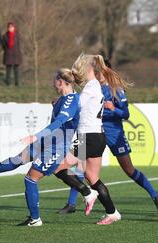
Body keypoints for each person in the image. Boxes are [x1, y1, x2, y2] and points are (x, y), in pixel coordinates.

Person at [0, 69, 99, 227]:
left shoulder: (71, 101)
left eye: (54, 79)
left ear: (61, 82)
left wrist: (35, 136)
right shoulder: (63, 99)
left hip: (55, 148)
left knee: (30, 179)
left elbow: (58, 123)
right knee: (18, 159)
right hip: (47, 142)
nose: (52, 82)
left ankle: (35, 219)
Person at [58, 62, 158, 214]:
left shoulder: (115, 90)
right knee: (80, 168)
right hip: (92, 133)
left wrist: (113, 109)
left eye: (99, 72)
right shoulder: (92, 88)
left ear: (105, 72)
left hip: (114, 134)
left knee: (129, 169)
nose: (96, 75)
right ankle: (71, 204)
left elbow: (126, 114)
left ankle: (155, 195)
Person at [54, 54, 122, 225]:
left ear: (87, 69)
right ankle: (112, 212)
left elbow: (76, 105)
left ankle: (87, 193)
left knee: (58, 167)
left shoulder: (92, 86)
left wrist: (63, 102)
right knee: (91, 176)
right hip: (97, 136)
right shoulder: (93, 86)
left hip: (89, 138)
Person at [1, 22, 22, 86]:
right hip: (8, 55)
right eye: (9, 27)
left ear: (14, 28)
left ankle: (17, 83)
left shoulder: (17, 36)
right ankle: (8, 83)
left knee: (16, 70)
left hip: (16, 54)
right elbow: (3, 46)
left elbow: (19, 45)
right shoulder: (5, 36)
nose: (10, 28)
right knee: (8, 70)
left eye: (12, 27)